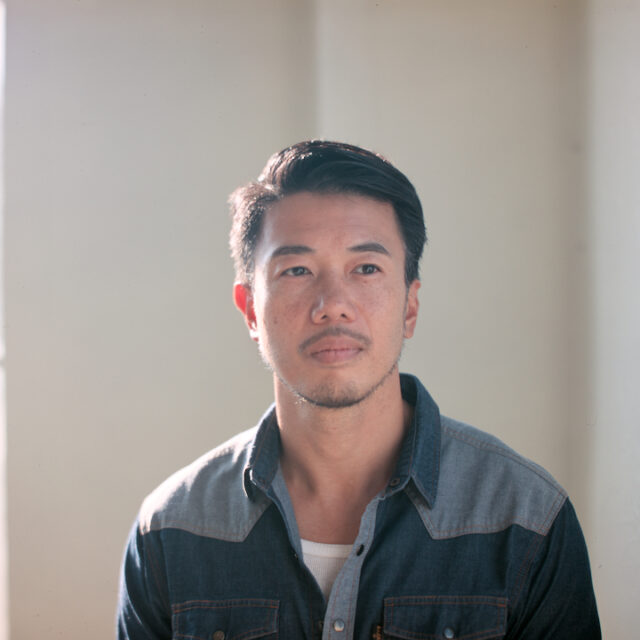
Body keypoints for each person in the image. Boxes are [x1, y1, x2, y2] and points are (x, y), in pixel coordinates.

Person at [117, 140, 600, 639]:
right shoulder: (171, 530)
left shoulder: (526, 520)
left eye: (366, 268)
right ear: (251, 310)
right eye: (297, 270)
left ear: (410, 306)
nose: (333, 304)